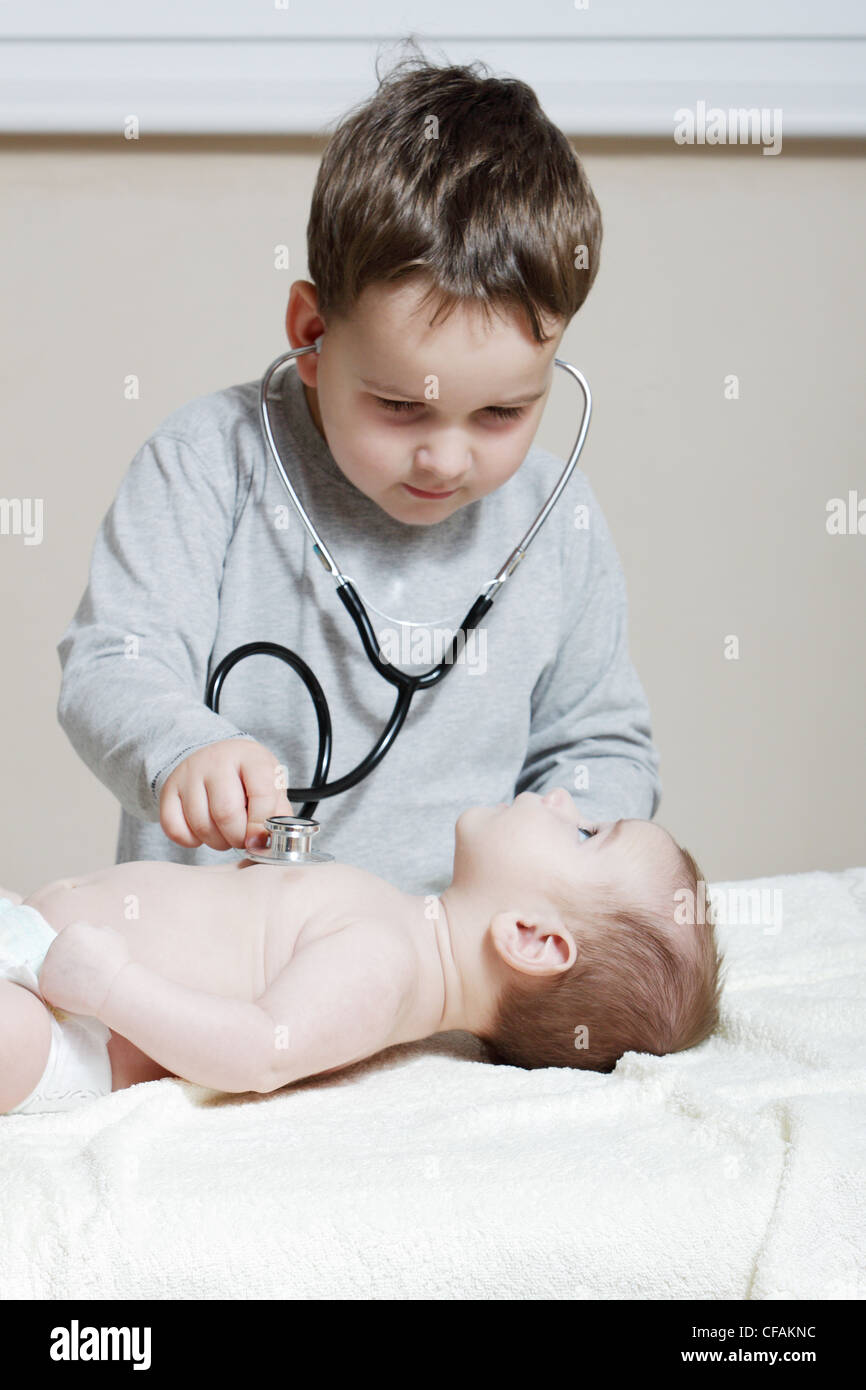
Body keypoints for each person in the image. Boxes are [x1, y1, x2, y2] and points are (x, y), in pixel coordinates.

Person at [55, 47, 661, 896]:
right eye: (401, 406)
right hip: (215, 943)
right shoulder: (208, 466)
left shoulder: (558, 525)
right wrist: (183, 749)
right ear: (309, 333)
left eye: (501, 413)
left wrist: (572, 838)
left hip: (436, 972)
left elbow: (601, 749)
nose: (445, 459)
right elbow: (113, 667)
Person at [0, 788, 723, 1117]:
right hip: (42, 952)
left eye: (587, 834)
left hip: (70, 1033)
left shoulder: (386, 966)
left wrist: (112, 988)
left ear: (531, 939)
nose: (564, 797)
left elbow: (258, 1053)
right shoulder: (399, 918)